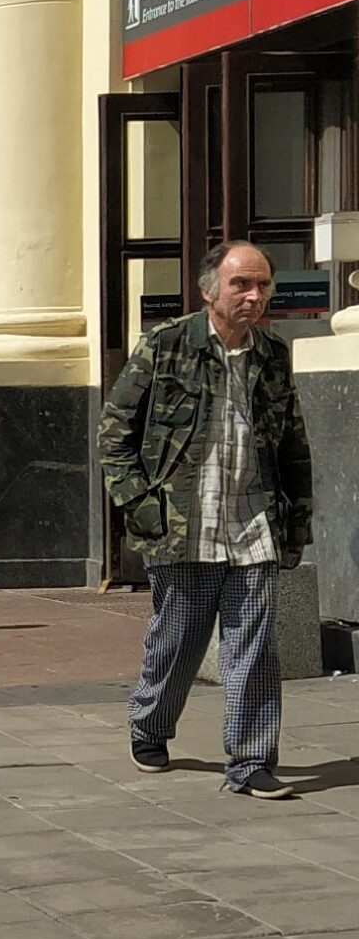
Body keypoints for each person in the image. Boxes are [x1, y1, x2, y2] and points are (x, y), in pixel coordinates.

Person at [103, 240, 313, 800]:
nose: (254, 295)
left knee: (255, 646)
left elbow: (292, 442)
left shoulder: (272, 355)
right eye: (242, 284)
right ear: (208, 290)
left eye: (263, 285)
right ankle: (149, 725)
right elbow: (115, 431)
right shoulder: (167, 346)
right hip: (182, 525)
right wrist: (138, 503)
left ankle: (250, 761)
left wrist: (298, 522)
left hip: (253, 523)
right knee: (179, 639)